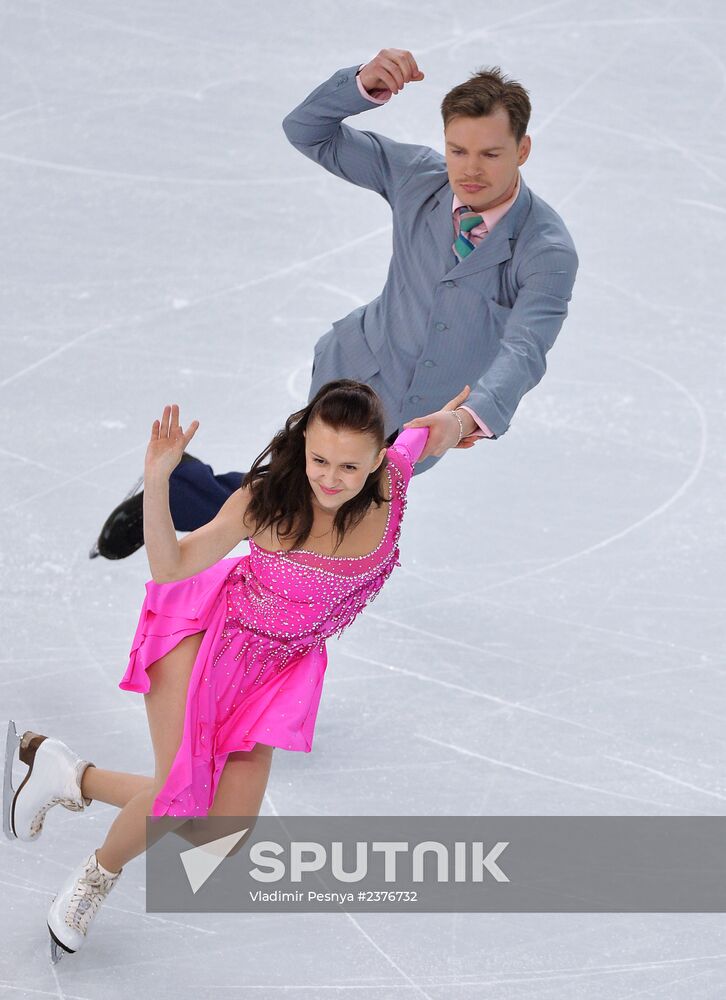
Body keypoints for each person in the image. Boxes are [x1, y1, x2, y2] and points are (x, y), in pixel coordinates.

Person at [3, 379, 467, 964]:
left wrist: (469, 419)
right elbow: (171, 568)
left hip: (276, 672)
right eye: (319, 458)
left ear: (378, 458)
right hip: (204, 641)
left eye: (349, 466)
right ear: (303, 445)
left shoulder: (393, 480)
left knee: (220, 833)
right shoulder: (267, 502)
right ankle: (95, 878)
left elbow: (432, 433)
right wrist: (156, 480)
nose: (330, 477)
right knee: (179, 796)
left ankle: (61, 773)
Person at [91, 48, 577, 561]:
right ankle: (189, 508)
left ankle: (188, 488)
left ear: (522, 149)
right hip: (353, 373)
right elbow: (308, 131)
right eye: (458, 150)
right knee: (304, 507)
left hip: (421, 426)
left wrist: (464, 420)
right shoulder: (418, 176)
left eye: (490, 154)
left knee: (322, 510)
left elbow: (524, 351)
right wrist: (362, 85)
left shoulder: (546, 249)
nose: (469, 170)